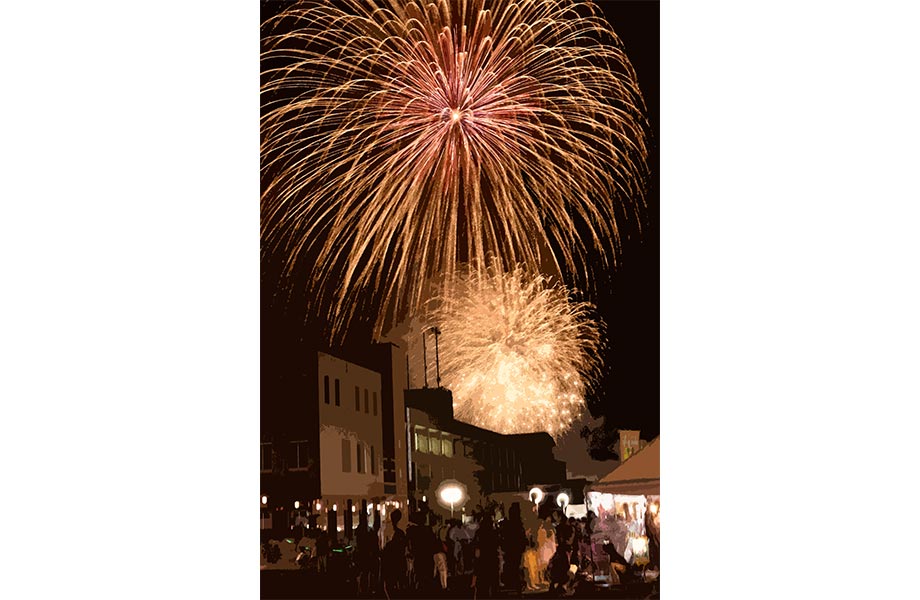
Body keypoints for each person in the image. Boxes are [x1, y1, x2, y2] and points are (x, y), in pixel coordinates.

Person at [499, 502, 528, 595]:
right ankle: (516, 583)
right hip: (516, 548)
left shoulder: (509, 524)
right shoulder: (519, 524)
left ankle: (512, 582)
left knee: (512, 565)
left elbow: (504, 535)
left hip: (510, 548)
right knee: (516, 566)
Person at [406, 511, 437, 593]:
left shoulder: (412, 530)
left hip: (419, 557)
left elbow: (409, 545)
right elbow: (434, 544)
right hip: (428, 557)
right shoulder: (429, 530)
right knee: (428, 578)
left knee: (419, 577)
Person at [382, 509, 408, 598]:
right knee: (399, 582)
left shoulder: (385, 530)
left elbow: (383, 547)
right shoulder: (401, 533)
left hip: (389, 561)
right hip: (399, 560)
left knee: (389, 584)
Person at [473, 516, 500, 598]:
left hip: (483, 561)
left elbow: (477, 550)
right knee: (493, 584)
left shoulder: (479, 533)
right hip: (493, 560)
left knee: (482, 585)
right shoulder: (494, 533)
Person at [355, 511, 379, 596]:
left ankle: (365, 590)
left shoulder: (368, 530)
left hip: (366, 556)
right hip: (365, 556)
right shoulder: (362, 531)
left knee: (366, 573)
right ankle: (365, 590)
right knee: (365, 573)